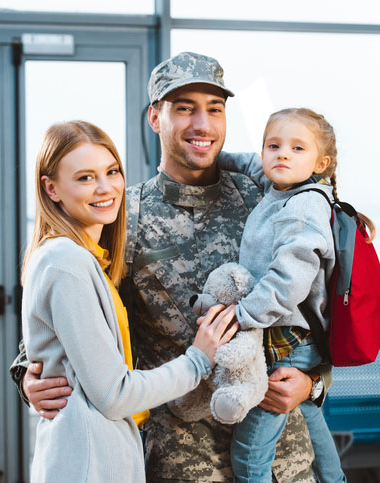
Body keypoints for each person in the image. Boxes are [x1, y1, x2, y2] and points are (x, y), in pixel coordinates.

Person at [10, 52, 332, 482]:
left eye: (214, 109)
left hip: (280, 454)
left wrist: (315, 383)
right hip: (182, 461)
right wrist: (29, 381)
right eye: (184, 108)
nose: (202, 124)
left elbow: (322, 302)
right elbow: (61, 319)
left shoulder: (271, 199)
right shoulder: (123, 216)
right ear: (155, 118)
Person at [20, 120, 237, 482]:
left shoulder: (89, 257)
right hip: (91, 464)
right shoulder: (66, 263)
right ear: (51, 188)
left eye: (112, 171)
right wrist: (199, 359)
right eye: (85, 178)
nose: (106, 188)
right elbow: (114, 394)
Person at [218, 108, 373, 482]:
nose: (282, 154)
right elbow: (252, 163)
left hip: (284, 341)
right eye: (274, 146)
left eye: (297, 148)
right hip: (296, 339)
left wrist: (239, 317)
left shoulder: (303, 206)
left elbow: (287, 282)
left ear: (321, 163)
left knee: (250, 455)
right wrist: (215, 156)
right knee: (312, 418)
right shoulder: (283, 185)